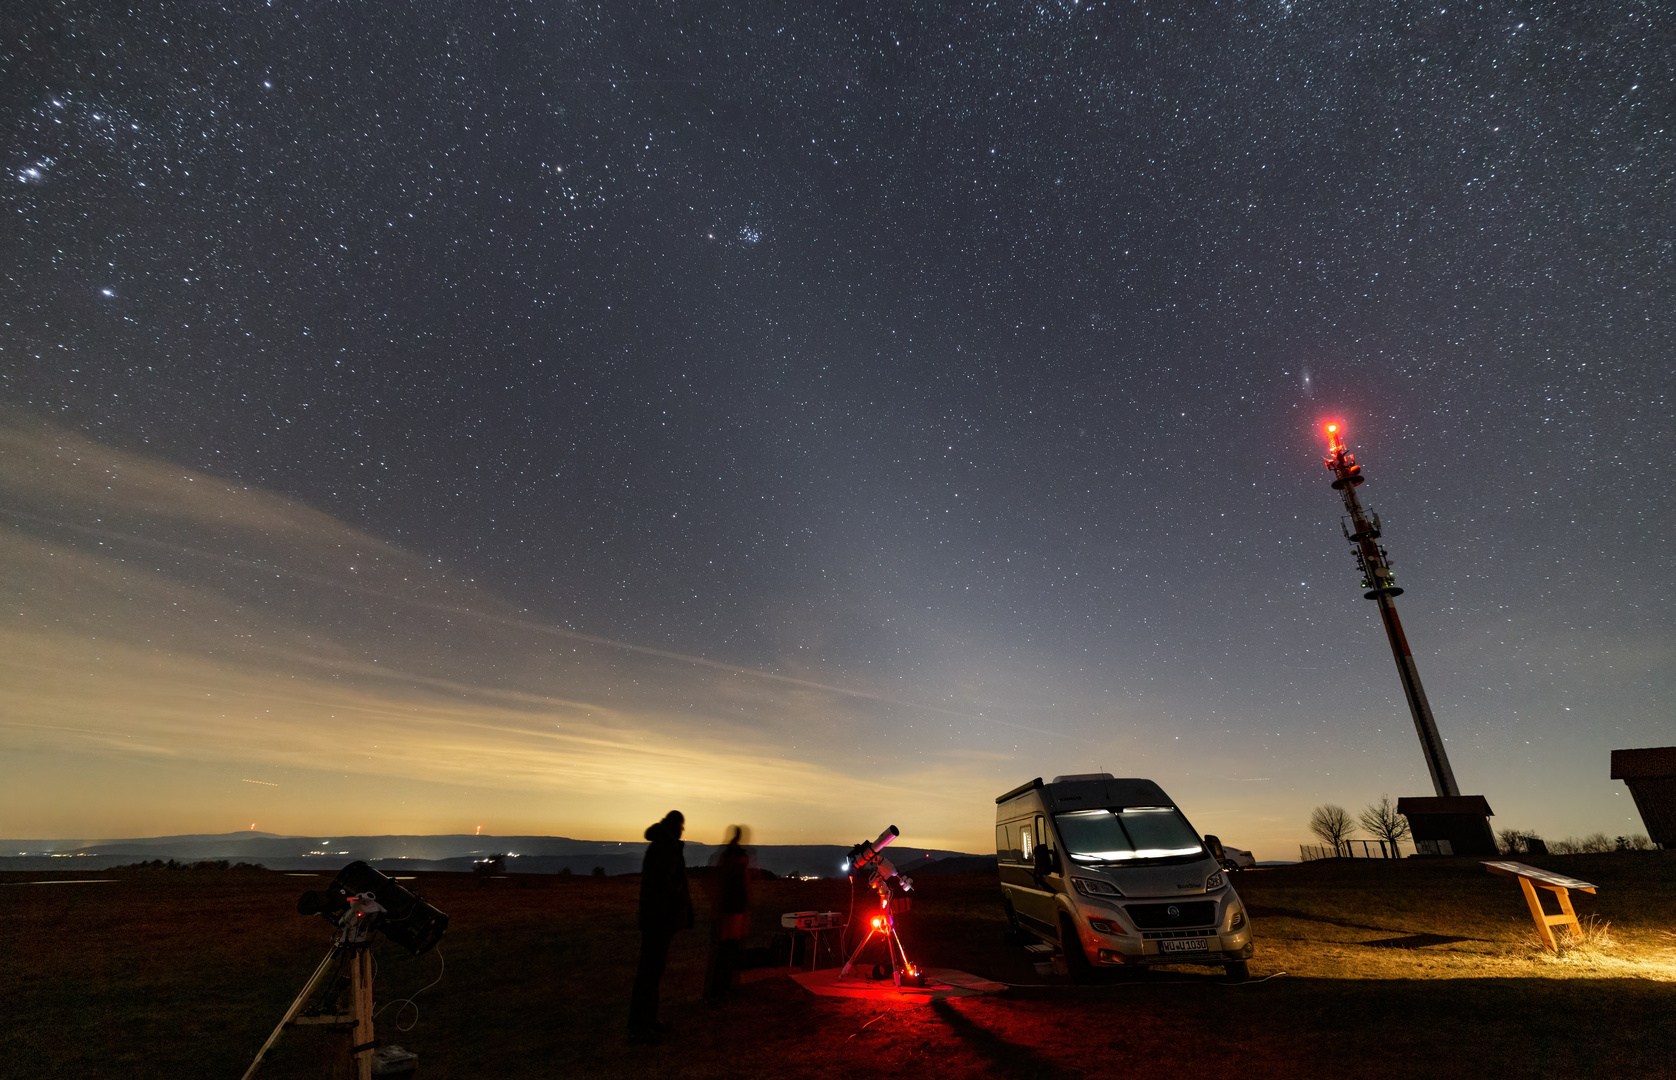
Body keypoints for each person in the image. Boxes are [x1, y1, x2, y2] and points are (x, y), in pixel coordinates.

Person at [627, 810, 692, 1043]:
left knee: (652, 972)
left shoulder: (661, 845)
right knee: (649, 973)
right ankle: (639, 1026)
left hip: (656, 918)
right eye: (681, 826)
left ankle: (648, 1020)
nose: (683, 830)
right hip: (659, 919)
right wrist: (682, 896)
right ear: (675, 825)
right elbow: (664, 884)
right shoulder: (666, 847)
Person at [703, 825, 752, 1005]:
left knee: (724, 950)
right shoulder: (740, 859)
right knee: (729, 949)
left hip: (727, 908)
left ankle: (718, 989)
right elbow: (744, 886)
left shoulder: (725, 857)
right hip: (734, 909)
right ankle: (720, 989)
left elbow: (717, 882)